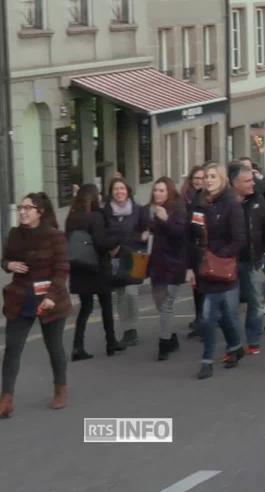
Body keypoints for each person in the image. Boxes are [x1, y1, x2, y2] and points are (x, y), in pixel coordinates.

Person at [2, 192, 71, 416]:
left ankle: (60, 389)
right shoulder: (14, 234)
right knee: (12, 348)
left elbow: (62, 269)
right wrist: (8, 264)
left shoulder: (54, 236)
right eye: (21, 207)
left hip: (49, 298)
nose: (22, 211)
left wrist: (51, 296)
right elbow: (5, 258)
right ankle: (6, 399)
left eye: (27, 208)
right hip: (21, 298)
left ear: (39, 212)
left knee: (54, 348)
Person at [186, 163, 247, 380]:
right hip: (203, 268)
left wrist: (219, 255)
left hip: (222, 267)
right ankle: (234, 345)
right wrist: (190, 267)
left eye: (213, 176)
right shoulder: (198, 203)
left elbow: (239, 239)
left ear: (222, 179)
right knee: (216, 314)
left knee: (213, 314)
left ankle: (207, 360)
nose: (208, 180)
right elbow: (190, 236)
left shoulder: (231, 204)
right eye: (205, 177)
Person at [65, 184, 124, 360]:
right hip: (96, 267)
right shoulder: (96, 216)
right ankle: (111, 342)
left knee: (85, 307)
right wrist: (116, 240)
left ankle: (77, 346)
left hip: (78, 267)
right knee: (106, 303)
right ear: (93, 196)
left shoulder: (72, 217)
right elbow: (101, 243)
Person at [229, 163, 265, 356]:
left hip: (254, 260)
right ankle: (233, 342)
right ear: (234, 183)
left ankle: (253, 340)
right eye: (248, 181)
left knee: (256, 303)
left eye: (252, 179)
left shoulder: (258, 200)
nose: (253, 184)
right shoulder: (225, 202)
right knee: (229, 306)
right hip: (230, 262)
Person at [104, 177, 150, 347]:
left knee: (132, 293)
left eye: (122, 188)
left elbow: (146, 231)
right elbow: (103, 234)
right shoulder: (106, 212)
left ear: (128, 191)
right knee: (122, 294)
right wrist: (110, 247)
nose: (119, 192)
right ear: (111, 192)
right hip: (116, 259)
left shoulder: (138, 210)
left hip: (135, 256)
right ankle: (127, 330)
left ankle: (133, 328)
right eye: (116, 189)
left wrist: (141, 238)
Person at [146, 177, 189, 361]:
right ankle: (171, 337)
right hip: (156, 265)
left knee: (166, 305)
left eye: (162, 190)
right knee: (159, 303)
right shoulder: (151, 211)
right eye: (156, 190)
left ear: (169, 192)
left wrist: (165, 220)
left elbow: (181, 234)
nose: (158, 193)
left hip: (173, 264)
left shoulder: (177, 209)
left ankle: (163, 344)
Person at [181, 166, 207, 338]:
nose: (198, 181)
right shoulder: (188, 197)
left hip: (203, 248)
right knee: (196, 289)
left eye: (201, 178)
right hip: (193, 248)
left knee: (204, 289)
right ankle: (200, 320)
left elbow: (199, 227)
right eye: (195, 178)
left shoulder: (204, 198)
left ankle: (204, 323)